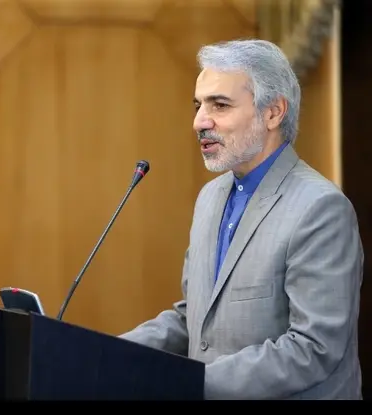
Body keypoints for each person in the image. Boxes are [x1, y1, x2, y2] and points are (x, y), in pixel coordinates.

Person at [119, 39, 364, 400]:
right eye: (198, 105)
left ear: (273, 112)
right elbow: (194, 319)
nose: (199, 122)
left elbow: (313, 349)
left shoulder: (320, 208)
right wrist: (107, 353)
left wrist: (191, 383)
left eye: (219, 105)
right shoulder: (210, 198)